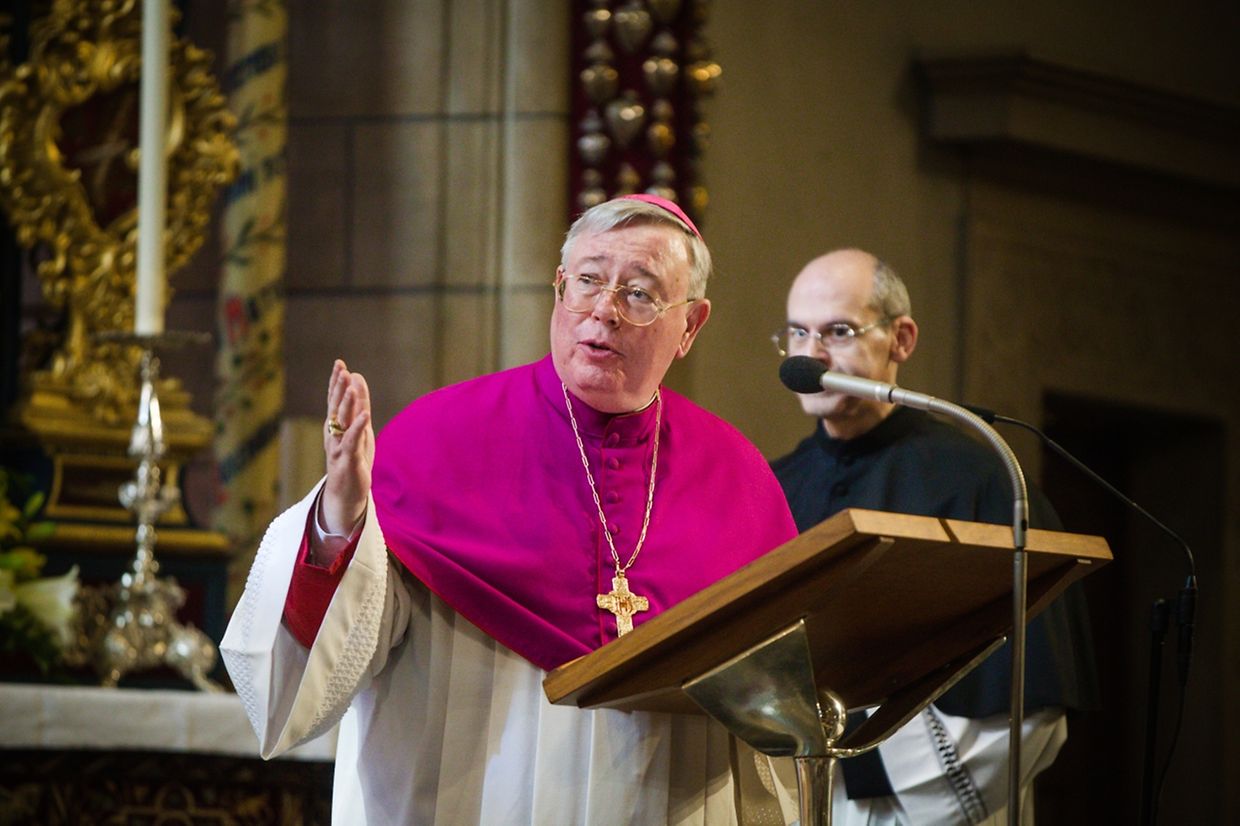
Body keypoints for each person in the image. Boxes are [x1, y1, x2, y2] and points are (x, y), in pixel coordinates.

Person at [220, 195, 801, 824]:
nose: (604, 310)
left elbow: (771, 721)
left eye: (639, 293)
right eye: (587, 281)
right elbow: (333, 662)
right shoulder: (440, 440)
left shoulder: (736, 479)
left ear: (690, 325)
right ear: (558, 290)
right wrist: (340, 520)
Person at [769, 249, 1096, 825]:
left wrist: (854, 756)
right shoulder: (770, 488)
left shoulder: (981, 480)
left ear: (902, 339)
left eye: (838, 331)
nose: (811, 354)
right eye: (798, 332)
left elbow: (1028, 707)